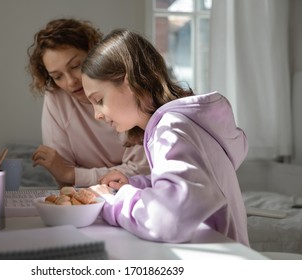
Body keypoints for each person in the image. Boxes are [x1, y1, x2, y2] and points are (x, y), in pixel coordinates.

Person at [81, 29, 249, 246]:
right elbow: (190, 188)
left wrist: (112, 201)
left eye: (99, 99)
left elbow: (168, 219)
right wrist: (135, 185)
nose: (98, 114)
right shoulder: (179, 125)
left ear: (128, 81)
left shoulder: (171, 129)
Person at [27, 19, 149, 187]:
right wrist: (69, 175)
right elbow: (61, 176)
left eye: (76, 65)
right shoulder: (56, 97)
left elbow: (142, 170)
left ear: (94, 54)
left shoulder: (125, 87)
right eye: (57, 76)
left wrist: (73, 174)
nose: (70, 82)